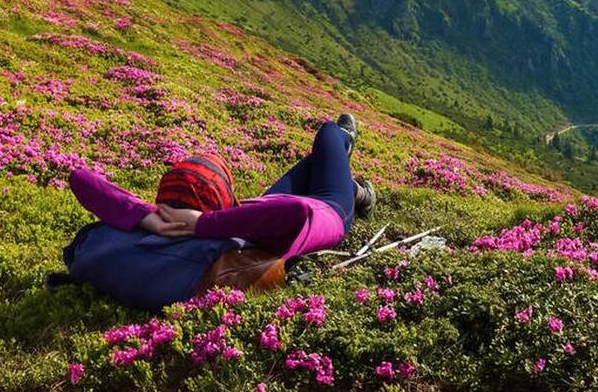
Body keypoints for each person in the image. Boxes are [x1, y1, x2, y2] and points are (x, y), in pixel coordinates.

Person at [60, 114, 375, 309]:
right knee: (328, 134)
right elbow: (295, 211)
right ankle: (358, 192)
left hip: (261, 208)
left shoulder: (141, 232)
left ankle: (346, 178)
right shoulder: (228, 244)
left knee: (317, 162)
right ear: (221, 207)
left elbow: (80, 178)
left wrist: (147, 218)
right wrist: (203, 224)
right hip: (329, 209)